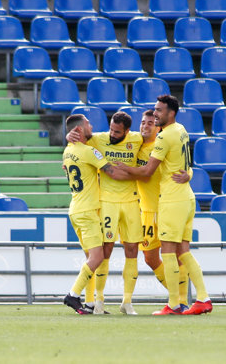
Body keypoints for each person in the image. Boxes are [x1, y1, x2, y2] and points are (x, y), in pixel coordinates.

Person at [119, 95, 213, 315]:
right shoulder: (181, 129)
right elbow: (183, 161)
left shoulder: (163, 138)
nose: (155, 115)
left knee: (169, 252)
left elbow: (147, 171)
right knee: (183, 252)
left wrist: (120, 167)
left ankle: (175, 303)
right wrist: (188, 174)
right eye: (153, 111)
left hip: (170, 200)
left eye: (158, 111)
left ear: (171, 113)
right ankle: (202, 298)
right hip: (185, 197)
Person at [69, 112, 144, 315]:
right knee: (104, 252)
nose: (112, 133)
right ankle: (99, 301)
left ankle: (127, 302)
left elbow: (152, 136)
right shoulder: (98, 139)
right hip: (107, 202)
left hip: (131, 202)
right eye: (111, 128)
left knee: (132, 251)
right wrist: (67, 137)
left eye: (117, 132)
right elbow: (76, 141)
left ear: (127, 131)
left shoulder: (136, 139)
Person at [137, 110, 191, 311]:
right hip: (148, 210)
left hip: (168, 205)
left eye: (150, 123)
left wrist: (190, 174)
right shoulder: (134, 144)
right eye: (143, 122)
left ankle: (180, 301)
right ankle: (176, 296)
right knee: (150, 258)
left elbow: (184, 164)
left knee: (177, 254)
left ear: (158, 127)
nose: (145, 126)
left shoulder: (163, 144)